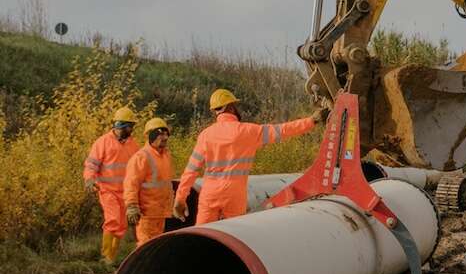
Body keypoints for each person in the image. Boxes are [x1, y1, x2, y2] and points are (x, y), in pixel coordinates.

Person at [173, 89, 324, 225]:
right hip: (234, 194)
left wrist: (180, 199)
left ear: (216, 111)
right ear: (231, 107)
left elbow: (191, 171)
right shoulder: (248, 132)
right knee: (233, 236)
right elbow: (281, 130)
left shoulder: (205, 135)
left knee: (202, 236)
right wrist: (312, 121)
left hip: (210, 194)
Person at [83, 107, 140, 264]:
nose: (132, 129)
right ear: (121, 125)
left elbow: (139, 167)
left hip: (125, 193)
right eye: (130, 126)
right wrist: (89, 179)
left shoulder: (133, 145)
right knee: (113, 220)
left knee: (121, 225)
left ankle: (111, 257)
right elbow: (91, 165)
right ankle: (107, 256)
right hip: (107, 190)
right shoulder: (102, 143)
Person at [124, 118, 174, 246]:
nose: (164, 138)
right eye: (160, 134)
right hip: (146, 214)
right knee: (146, 246)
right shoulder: (141, 157)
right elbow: (131, 183)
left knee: (157, 246)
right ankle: (141, 266)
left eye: (165, 134)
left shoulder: (166, 155)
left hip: (162, 212)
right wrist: (131, 205)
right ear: (150, 136)